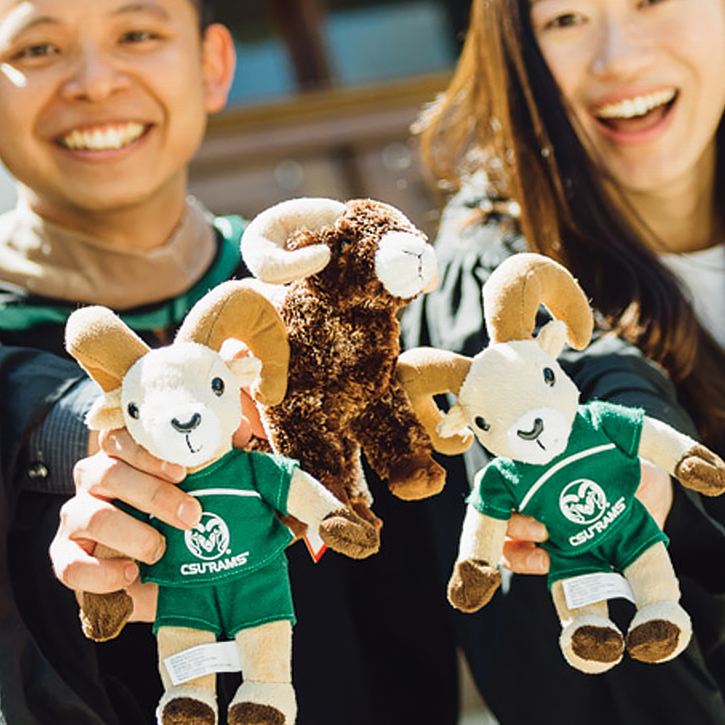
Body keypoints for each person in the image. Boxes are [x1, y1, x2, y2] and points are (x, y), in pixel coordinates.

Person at [0, 1, 459, 723]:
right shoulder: (11, 346)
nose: (93, 81)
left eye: (137, 33)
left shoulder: (311, 301)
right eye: (35, 49)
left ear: (213, 64)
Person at [402, 0, 725, 723]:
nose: (618, 57)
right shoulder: (490, 298)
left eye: (650, 0)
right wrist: (656, 488)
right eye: (566, 18)